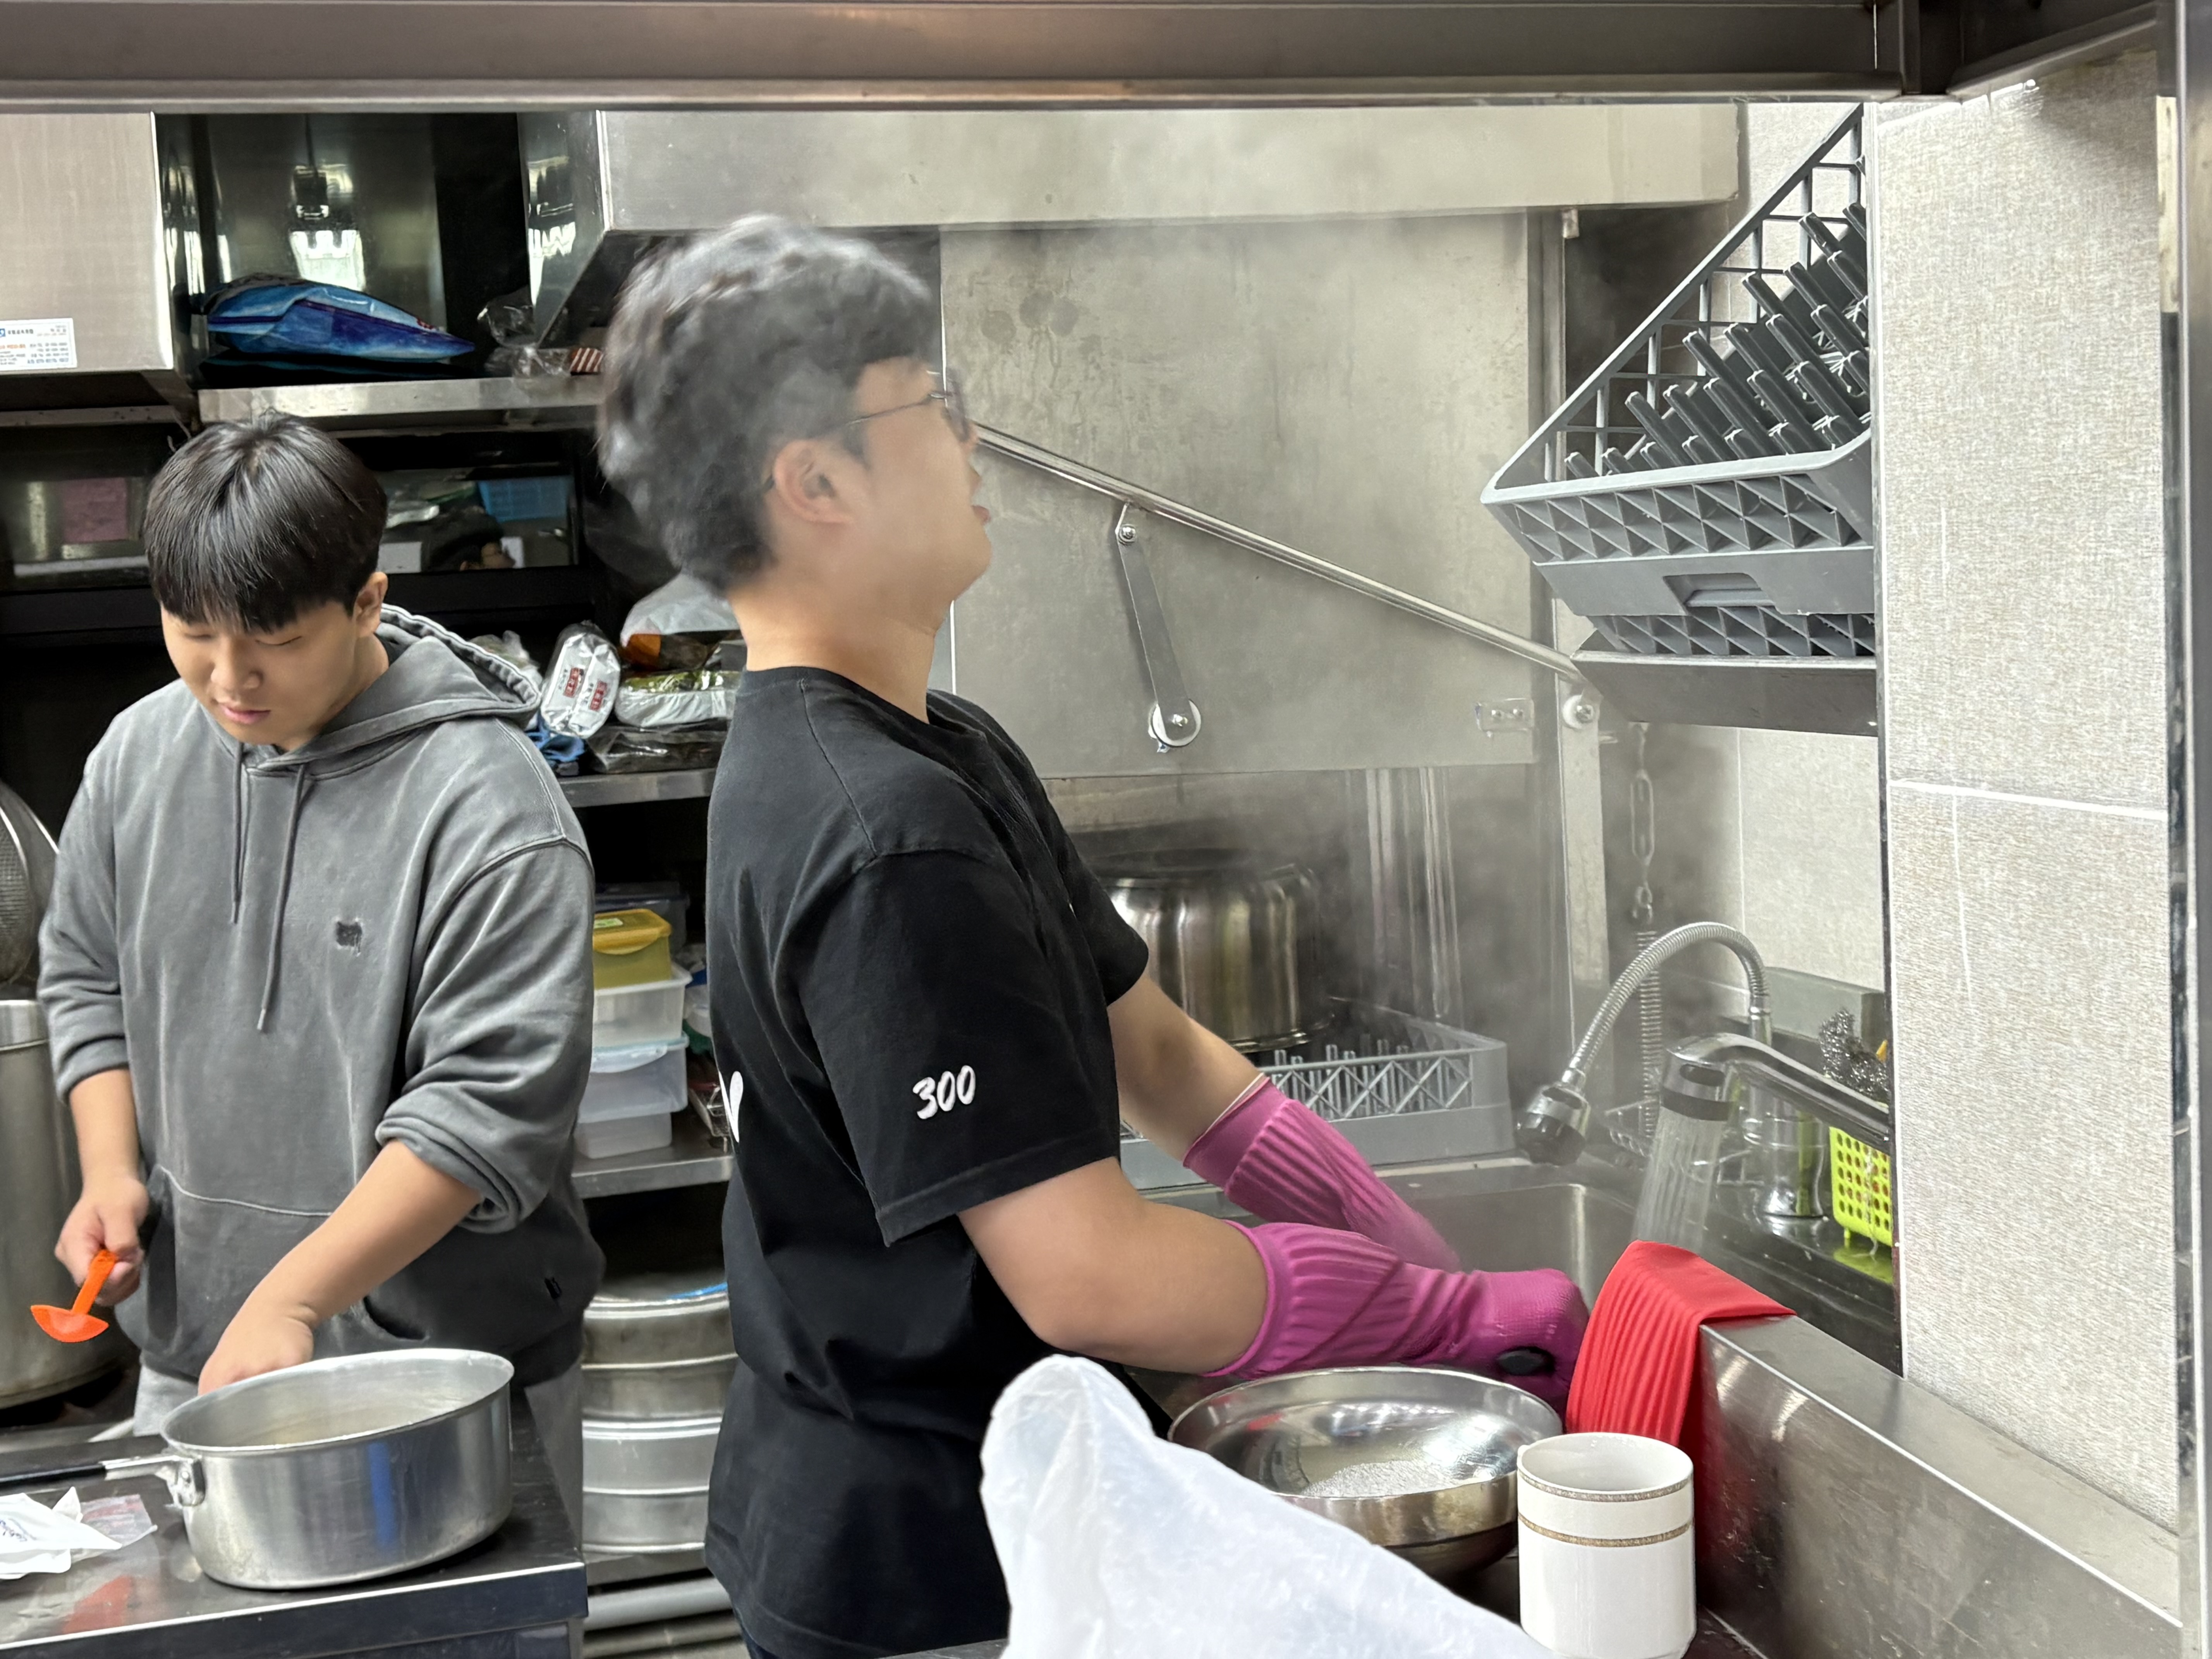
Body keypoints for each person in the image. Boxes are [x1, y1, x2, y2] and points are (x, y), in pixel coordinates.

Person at [597, 218, 1588, 1659]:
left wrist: (1393, 1243)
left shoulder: (933, 747)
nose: (970, 439)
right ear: (816, 482)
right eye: (931, 403)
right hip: (928, 1561)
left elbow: (1163, 1053)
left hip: (944, 1500)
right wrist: (1428, 1312)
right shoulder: (886, 835)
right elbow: (1088, 1273)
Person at [40, 413, 602, 1525]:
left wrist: (297, 1296)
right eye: (193, 633)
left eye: (278, 641)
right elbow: (88, 972)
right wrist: (111, 1171)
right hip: (199, 1360)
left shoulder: (490, 809)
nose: (229, 679)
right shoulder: (138, 755)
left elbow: (484, 1110)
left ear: (366, 602)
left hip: (445, 1381)